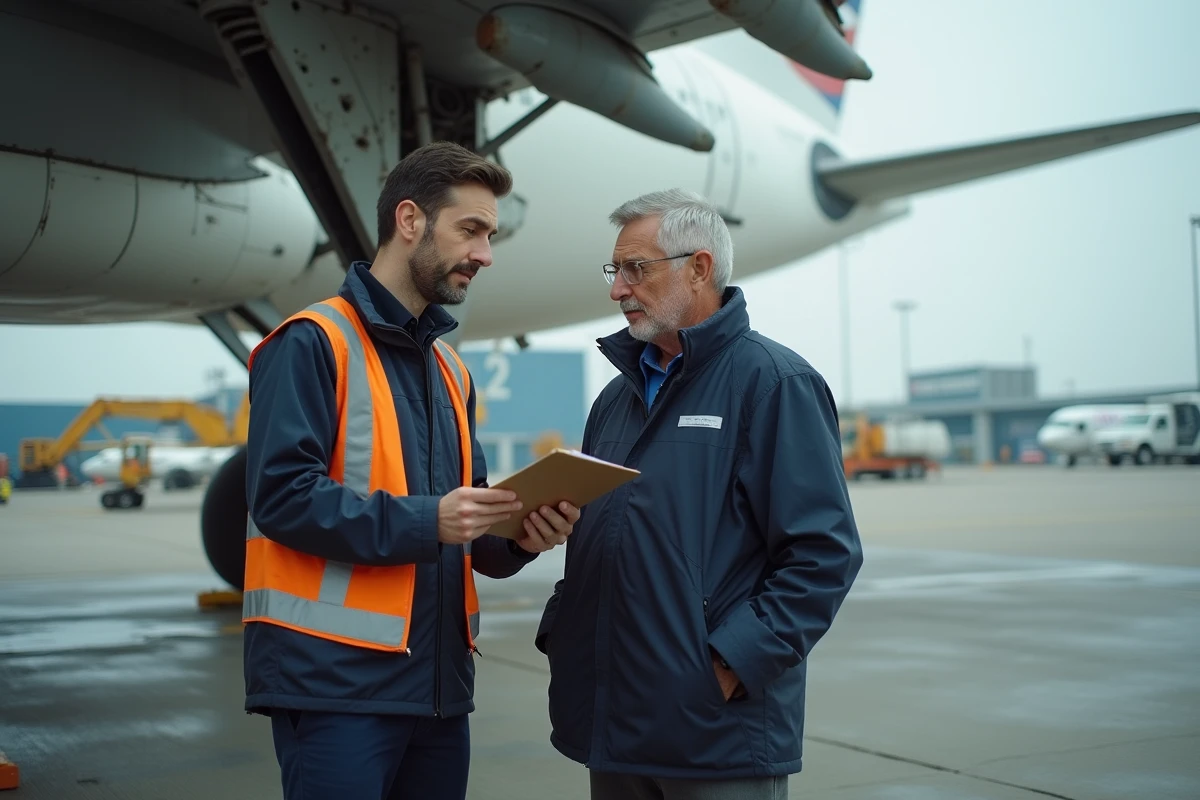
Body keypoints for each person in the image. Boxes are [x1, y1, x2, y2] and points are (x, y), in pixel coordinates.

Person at [243, 140, 580, 800]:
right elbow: (280, 498)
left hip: (437, 692)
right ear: (410, 221)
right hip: (336, 688)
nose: (485, 254)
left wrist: (519, 536)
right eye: (472, 230)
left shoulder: (450, 371)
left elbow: (467, 525)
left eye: (490, 235)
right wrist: (434, 519)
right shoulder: (312, 343)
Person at [534, 189, 863, 799]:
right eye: (615, 271)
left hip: (715, 734)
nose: (617, 290)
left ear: (700, 267)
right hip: (615, 724)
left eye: (636, 269)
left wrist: (733, 663)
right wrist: (567, 628)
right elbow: (603, 536)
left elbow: (824, 554)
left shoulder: (773, 383)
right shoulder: (616, 399)